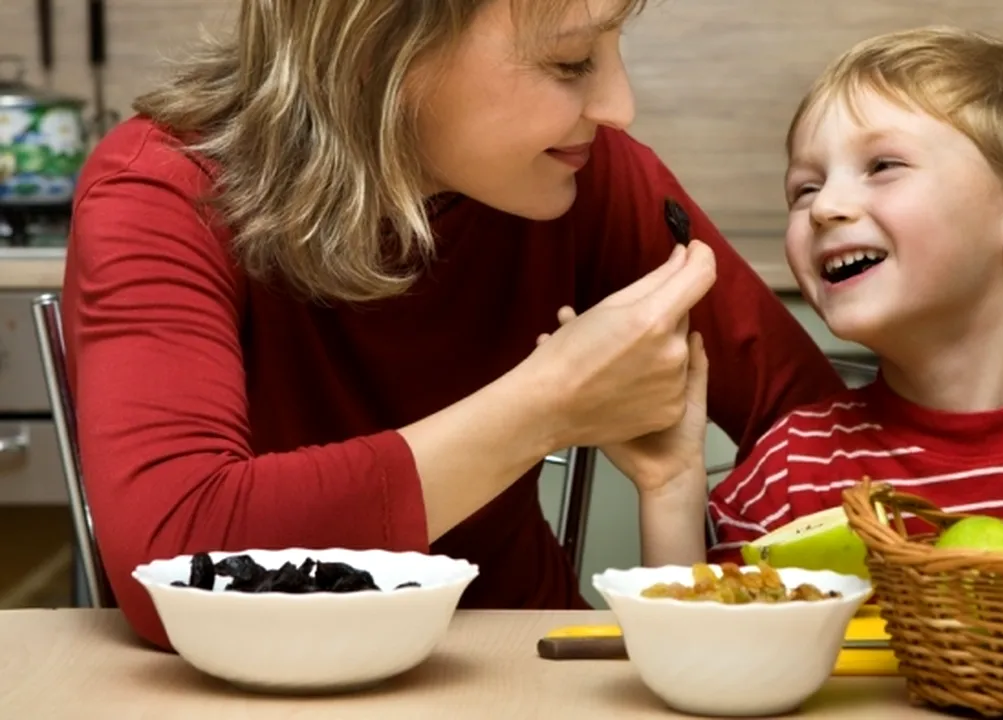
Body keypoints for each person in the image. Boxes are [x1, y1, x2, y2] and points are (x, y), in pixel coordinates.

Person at [61, 0, 847, 650]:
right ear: (377, 55)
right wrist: (544, 408)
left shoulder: (588, 173)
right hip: (252, 680)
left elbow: (818, 437)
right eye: (570, 62)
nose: (619, 107)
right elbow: (172, 558)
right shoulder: (163, 189)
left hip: (522, 668)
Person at [599, 26, 1003, 567]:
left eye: (882, 166)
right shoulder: (790, 467)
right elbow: (712, 655)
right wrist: (672, 485)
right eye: (804, 189)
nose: (827, 209)